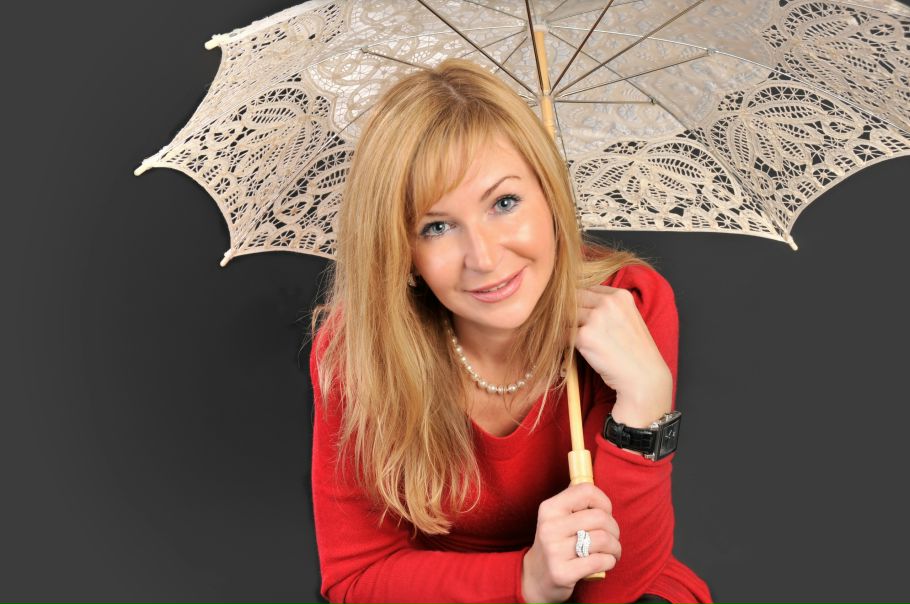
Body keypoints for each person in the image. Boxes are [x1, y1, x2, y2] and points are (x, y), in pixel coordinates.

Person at [308, 58, 712, 604]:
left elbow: (612, 591)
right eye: (437, 226)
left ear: (550, 195)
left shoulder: (629, 304)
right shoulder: (359, 349)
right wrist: (526, 579)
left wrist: (645, 402)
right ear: (402, 252)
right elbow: (358, 577)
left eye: (504, 202)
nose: (484, 257)